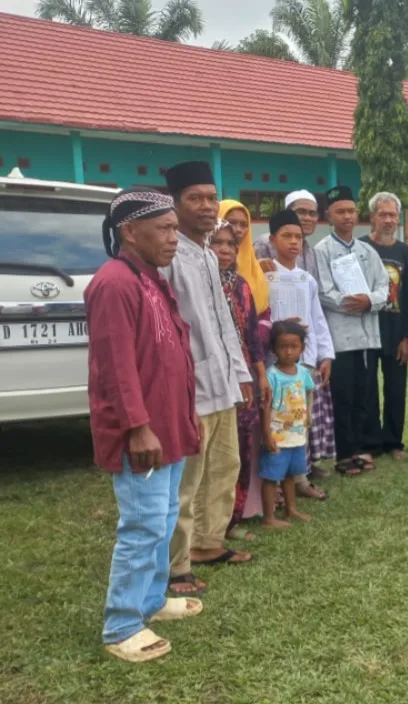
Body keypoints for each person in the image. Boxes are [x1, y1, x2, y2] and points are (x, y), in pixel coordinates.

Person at [88, 187, 203, 662]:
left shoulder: (152, 278)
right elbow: (116, 366)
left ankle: (152, 601)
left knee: (165, 518)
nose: (175, 237)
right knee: (143, 525)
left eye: (176, 228)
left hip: (167, 425)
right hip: (142, 433)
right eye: (165, 228)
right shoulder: (114, 282)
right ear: (130, 232)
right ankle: (121, 625)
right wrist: (138, 427)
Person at [162, 161, 254, 595]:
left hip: (222, 382)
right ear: (176, 204)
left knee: (225, 464)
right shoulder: (169, 255)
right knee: (188, 480)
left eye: (211, 198)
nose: (206, 206)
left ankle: (207, 543)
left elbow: (222, 321)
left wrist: (241, 374)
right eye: (194, 198)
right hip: (192, 387)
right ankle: (177, 564)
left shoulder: (203, 251)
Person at [256, 191, 333, 484]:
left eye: (298, 237)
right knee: (274, 419)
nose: (293, 243)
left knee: (299, 419)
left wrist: (324, 355)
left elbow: (318, 320)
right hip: (274, 363)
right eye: (286, 236)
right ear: (273, 240)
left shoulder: (307, 279)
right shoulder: (264, 275)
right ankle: (272, 483)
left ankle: (299, 479)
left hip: (303, 363)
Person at [314, 185, 390, 477]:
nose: (347, 216)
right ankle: (344, 453)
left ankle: (362, 447)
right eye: (340, 211)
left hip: (368, 336)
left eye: (350, 211)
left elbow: (384, 287)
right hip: (340, 338)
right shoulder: (323, 251)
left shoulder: (367, 251)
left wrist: (369, 300)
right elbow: (324, 292)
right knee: (342, 396)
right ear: (329, 215)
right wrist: (351, 304)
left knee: (365, 394)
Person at [208, 220, 268, 541]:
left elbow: (253, 336)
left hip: (243, 378)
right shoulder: (199, 283)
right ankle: (210, 526)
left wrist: (260, 375)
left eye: (231, 243)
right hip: (211, 378)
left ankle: (231, 519)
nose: (225, 249)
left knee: (240, 450)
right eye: (217, 242)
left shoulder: (242, 285)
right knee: (212, 453)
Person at [360, 191, 408, 462]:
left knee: (396, 389)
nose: (387, 220)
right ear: (372, 217)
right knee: (367, 388)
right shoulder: (360, 248)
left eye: (392, 215)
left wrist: (407, 336)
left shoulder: (406, 253)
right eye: (382, 214)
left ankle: (394, 441)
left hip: (396, 333)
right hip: (367, 331)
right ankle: (371, 442)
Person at [260, 320, 315, 528]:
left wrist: (308, 416)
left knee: (291, 475)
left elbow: (309, 391)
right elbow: (265, 406)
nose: (289, 352)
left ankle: (291, 509)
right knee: (271, 477)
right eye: (283, 347)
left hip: (297, 435)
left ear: (302, 348)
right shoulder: (271, 375)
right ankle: (269, 517)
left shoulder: (303, 372)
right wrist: (266, 433)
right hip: (277, 436)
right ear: (274, 348)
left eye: (294, 346)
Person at [218, 199, 270, 314]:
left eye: (244, 225)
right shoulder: (208, 263)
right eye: (231, 222)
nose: (238, 230)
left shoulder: (255, 267)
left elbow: (264, 310)